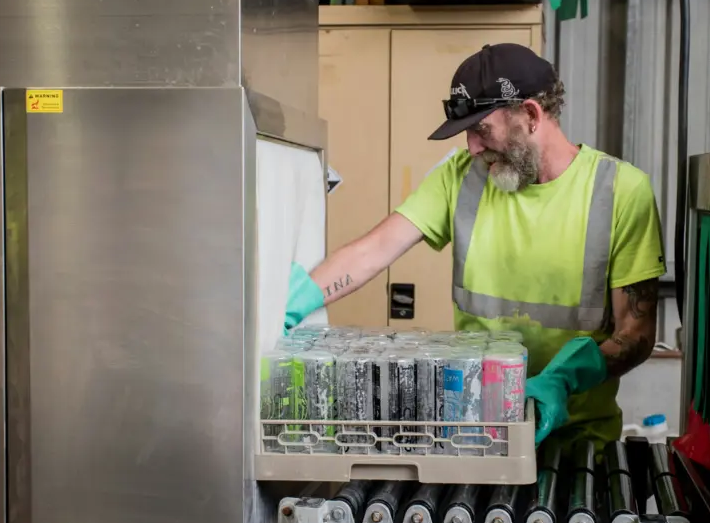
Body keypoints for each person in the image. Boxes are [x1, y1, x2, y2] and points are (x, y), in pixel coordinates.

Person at [284, 42, 666, 454]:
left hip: (579, 443)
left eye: (481, 129)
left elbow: (637, 332)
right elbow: (373, 250)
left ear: (531, 116)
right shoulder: (462, 177)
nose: (472, 147)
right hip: (476, 437)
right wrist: (287, 304)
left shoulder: (621, 191)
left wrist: (565, 378)